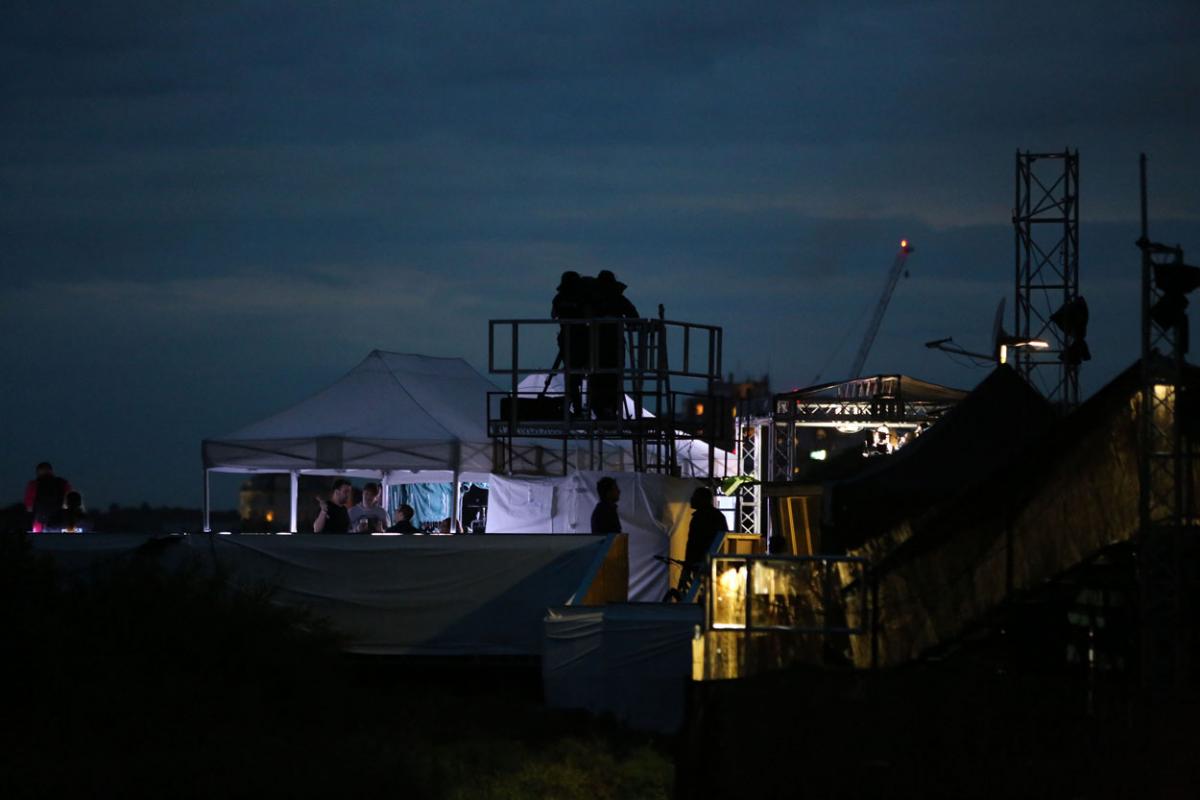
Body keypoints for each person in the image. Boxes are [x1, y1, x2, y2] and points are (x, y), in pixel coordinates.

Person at [590, 270, 639, 420]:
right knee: (612, 377)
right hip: (612, 345)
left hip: (596, 345)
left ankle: (601, 409)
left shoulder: (592, 299)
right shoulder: (618, 299)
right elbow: (634, 318)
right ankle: (610, 409)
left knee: (598, 377)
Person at [674, 486, 728, 598]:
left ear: (702, 499)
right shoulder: (719, 516)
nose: (691, 499)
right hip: (716, 562)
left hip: (700, 562)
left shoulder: (698, 518)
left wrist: (687, 566)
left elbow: (693, 544)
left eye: (694, 497)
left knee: (695, 592)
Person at [551, 270, 589, 416]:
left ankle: (574, 406)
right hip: (581, 339)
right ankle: (579, 406)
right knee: (578, 373)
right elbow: (588, 315)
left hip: (566, 340)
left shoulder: (558, 298)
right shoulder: (582, 298)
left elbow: (553, 315)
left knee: (571, 374)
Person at [24, 462, 72, 533]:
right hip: (60, 521)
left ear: (38, 472)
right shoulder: (64, 483)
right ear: (51, 471)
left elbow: (28, 506)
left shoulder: (33, 484)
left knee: (39, 541)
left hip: (40, 521)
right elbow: (69, 502)